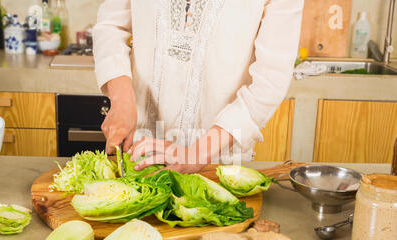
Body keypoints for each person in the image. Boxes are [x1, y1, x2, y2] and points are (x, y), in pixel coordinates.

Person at [93, 0, 304, 173]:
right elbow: (111, 26)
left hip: (216, 162)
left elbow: (271, 78)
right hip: (137, 150)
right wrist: (121, 100)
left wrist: (197, 153)